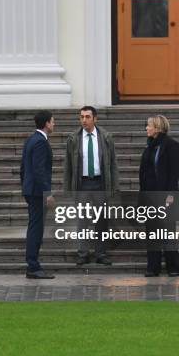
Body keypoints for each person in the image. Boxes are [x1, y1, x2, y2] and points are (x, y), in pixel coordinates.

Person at [63, 106, 119, 265]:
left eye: (87, 117)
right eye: (81, 117)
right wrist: (68, 187)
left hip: (100, 183)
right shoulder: (74, 138)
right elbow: (68, 165)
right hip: (82, 184)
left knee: (101, 220)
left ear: (95, 119)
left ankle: (101, 253)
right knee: (82, 220)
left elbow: (113, 163)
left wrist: (114, 186)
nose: (84, 120)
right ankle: (83, 253)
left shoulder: (106, 137)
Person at [139, 115, 179, 277]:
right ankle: (153, 267)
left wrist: (170, 195)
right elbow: (143, 174)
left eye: (149, 125)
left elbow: (174, 173)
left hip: (167, 196)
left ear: (157, 128)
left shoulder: (172, 145)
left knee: (169, 232)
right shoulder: (148, 147)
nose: (146, 128)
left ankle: (173, 267)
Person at [20, 110, 55, 279]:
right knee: (36, 228)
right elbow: (39, 170)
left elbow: (23, 168)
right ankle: (33, 266)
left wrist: (25, 187)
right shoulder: (41, 142)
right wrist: (47, 193)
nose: (54, 124)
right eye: (53, 122)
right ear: (47, 123)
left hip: (30, 190)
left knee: (34, 226)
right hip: (37, 192)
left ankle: (32, 264)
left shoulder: (31, 139)